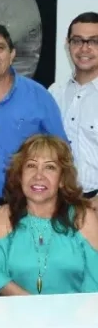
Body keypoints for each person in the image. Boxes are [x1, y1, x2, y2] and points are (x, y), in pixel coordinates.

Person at [0, 21, 68, 296]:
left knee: (25, 286)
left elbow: (62, 155)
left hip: (28, 209)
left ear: (12, 54)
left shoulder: (38, 97)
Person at [0, 134, 98, 295]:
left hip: (76, 315)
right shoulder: (5, 216)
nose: (39, 175)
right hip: (18, 313)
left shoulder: (82, 218)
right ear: (20, 176)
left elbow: (94, 281)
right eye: (31, 166)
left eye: (50, 167)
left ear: (62, 180)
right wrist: (31, 305)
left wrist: (72, 316)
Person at [49, 12, 98, 209]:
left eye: (94, 41)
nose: (84, 48)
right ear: (67, 44)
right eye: (77, 40)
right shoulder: (54, 93)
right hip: (58, 202)